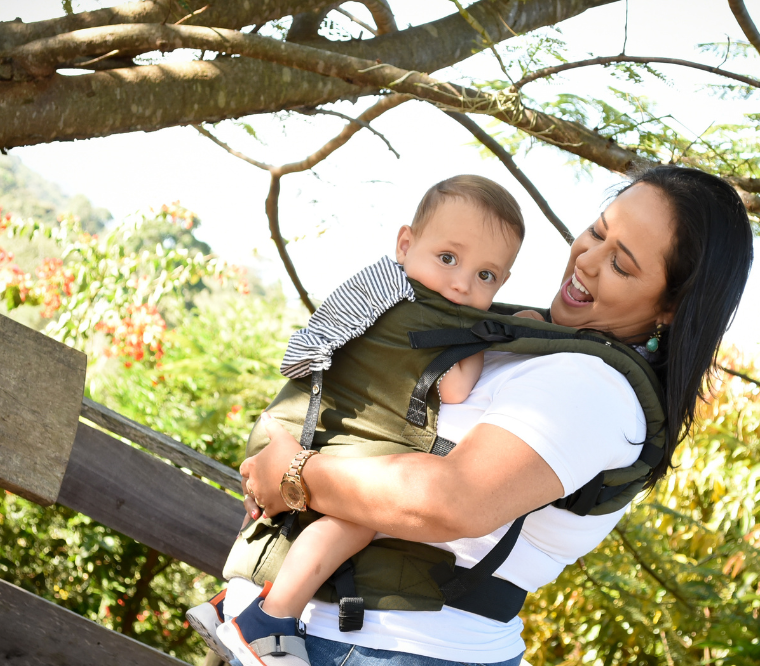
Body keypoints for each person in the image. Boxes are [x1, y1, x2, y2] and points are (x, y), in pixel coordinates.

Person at [235, 165, 755, 666]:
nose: (588, 261)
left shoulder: (597, 390)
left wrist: (295, 474)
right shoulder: (521, 336)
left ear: (670, 307)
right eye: (596, 233)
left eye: (621, 264)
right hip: (315, 633)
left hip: (392, 648)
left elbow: (452, 501)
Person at [188, 174, 529, 666]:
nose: (461, 283)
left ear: (503, 282)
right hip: (328, 446)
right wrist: (489, 343)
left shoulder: (378, 291)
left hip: (294, 426)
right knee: (360, 517)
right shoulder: (432, 318)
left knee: (298, 520)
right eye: (448, 259)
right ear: (406, 244)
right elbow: (455, 386)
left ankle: (232, 606)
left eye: (486, 276)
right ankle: (271, 618)